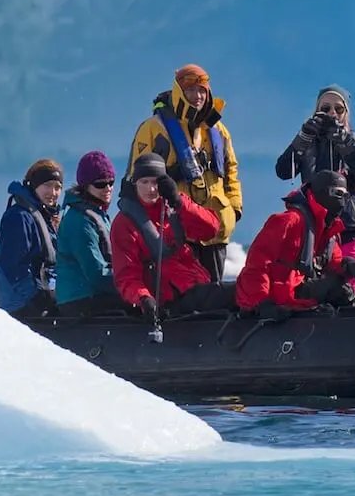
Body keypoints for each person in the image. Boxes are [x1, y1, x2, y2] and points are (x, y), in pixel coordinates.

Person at [130, 64, 241, 283]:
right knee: (185, 302)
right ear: (179, 92)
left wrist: (235, 208)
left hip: (216, 231)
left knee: (214, 301)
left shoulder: (219, 130)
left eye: (202, 90)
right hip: (179, 233)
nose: (197, 95)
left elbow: (231, 171)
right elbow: (138, 177)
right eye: (191, 90)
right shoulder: (153, 129)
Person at [110, 152, 236, 317]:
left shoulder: (174, 205)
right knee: (236, 292)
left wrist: (180, 202)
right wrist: (144, 298)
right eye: (144, 182)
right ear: (135, 183)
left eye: (156, 182)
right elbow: (126, 275)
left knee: (243, 293)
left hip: (196, 285)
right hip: (168, 300)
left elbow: (210, 229)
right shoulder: (123, 223)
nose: (151, 189)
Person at [275, 85, 355, 283]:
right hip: (315, 234)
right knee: (315, 295)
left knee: (351, 292)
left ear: (347, 113)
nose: (332, 114)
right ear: (316, 112)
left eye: (339, 109)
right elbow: (283, 171)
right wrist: (302, 138)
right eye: (325, 109)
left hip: (349, 231)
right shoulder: (308, 141)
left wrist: (345, 144)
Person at [235, 169, 355, 314]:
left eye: (346, 196)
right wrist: (262, 303)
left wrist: (346, 265)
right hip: (276, 294)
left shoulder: (328, 227)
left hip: (298, 289)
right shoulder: (288, 221)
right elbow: (256, 264)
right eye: (338, 194)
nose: (342, 201)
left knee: (343, 291)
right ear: (322, 192)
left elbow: (333, 260)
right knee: (336, 289)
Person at [0, 158, 63, 317]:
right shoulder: (19, 217)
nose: (53, 193)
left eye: (57, 187)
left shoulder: (46, 218)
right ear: (33, 186)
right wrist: (38, 300)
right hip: (17, 306)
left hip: (37, 297)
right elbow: (13, 266)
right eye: (47, 185)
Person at [55, 151, 121, 312]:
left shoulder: (97, 214)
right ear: (85, 186)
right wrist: (131, 286)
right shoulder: (80, 221)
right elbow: (97, 274)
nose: (107, 188)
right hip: (78, 300)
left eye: (111, 182)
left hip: (92, 294)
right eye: (100, 184)